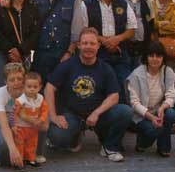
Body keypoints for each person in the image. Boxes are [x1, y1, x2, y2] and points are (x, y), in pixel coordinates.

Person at [45, 27, 133, 162]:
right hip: (72, 114)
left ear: (98, 46)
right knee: (57, 137)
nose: (88, 47)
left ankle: (109, 147)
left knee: (125, 111)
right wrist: (53, 115)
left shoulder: (105, 68)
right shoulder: (67, 65)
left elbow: (114, 96)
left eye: (92, 43)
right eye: (85, 43)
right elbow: (49, 87)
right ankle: (74, 139)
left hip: (98, 116)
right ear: (79, 45)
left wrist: (97, 113)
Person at [82, 0, 137, 103]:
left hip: (120, 54)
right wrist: (105, 41)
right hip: (97, 54)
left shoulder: (123, 4)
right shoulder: (87, 4)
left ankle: (122, 116)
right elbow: (83, 29)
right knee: (98, 86)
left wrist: (117, 39)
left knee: (124, 86)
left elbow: (131, 29)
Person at [0, 63, 48, 168]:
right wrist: (12, 149)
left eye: (19, 79)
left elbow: (44, 126)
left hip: (17, 124)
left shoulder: (31, 92)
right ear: (5, 81)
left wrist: (26, 117)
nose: (16, 83)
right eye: (12, 80)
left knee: (39, 124)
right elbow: (3, 125)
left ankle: (34, 154)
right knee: (0, 142)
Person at [30, 0, 84, 85]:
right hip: (40, 55)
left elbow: (77, 30)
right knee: (39, 92)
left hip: (63, 54)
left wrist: (69, 52)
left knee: (61, 91)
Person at [0, 0, 40, 89]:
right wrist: (10, 50)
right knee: (2, 86)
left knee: (21, 87)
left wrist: (20, 50)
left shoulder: (33, 7)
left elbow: (35, 33)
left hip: (23, 53)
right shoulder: (1, 6)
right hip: (1, 52)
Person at [127, 41, 175, 157]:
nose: (155, 59)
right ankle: (142, 143)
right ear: (146, 57)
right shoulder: (136, 74)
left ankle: (164, 148)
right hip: (141, 115)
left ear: (163, 57)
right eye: (151, 55)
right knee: (155, 129)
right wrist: (151, 117)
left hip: (158, 111)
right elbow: (134, 103)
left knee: (170, 114)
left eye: (158, 56)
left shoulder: (167, 71)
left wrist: (163, 107)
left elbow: (171, 94)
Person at [116, 0, 154, 73]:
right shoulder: (116, 0)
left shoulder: (146, 0)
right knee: (124, 80)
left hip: (141, 49)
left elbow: (151, 23)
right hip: (122, 49)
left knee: (139, 81)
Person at [13, 72, 48, 167]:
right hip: (21, 127)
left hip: (33, 127)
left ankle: (30, 159)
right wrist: (14, 125)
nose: (32, 89)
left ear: (40, 87)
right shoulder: (20, 100)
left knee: (32, 144)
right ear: (24, 87)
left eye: (35, 87)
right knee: (20, 144)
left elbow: (45, 109)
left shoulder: (40, 98)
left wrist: (42, 119)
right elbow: (15, 114)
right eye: (29, 86)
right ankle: (19, 160)